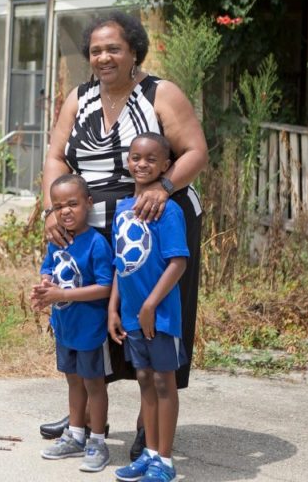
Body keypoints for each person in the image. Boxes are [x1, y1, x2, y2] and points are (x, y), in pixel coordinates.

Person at [38, 10, 207, 461]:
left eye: (113, 48)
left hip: (151, 227)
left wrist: (163, 187)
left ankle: (147, 428)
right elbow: (55, 156)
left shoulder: (160, 94)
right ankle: (88, 416)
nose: (103, 57)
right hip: (90, 230)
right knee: (91, 320)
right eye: (95, 50)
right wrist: (51, 209)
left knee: (151, 324)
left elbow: (195, 151)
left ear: (134, 50)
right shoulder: (80, 97)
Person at [109, 133, 188, 482]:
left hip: (160, 316)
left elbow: (178, 263)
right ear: (128, 161)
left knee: (162, 382)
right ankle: (150, 453)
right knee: (143, 379)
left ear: (166, 166)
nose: (142, 164)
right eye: (136, 157)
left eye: (151, 159)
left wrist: (151, 305)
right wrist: (114, 308)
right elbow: (120, 264)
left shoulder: (168, 210)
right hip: (130, 314)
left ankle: (166, 461)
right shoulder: (123, 209)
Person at [31, 174, 114, 474]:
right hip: (65, 325)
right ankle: (75, 434)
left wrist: (61, 293)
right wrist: (44, 287)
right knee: (72, 380)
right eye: (58, 206)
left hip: (90, 328)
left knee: (93, 383)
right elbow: (48, 271)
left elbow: (105, 287)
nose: (65, 211)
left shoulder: (97, 243)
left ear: (88, 204)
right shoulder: (58, 241)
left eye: (73, 204)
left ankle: (98, 440)